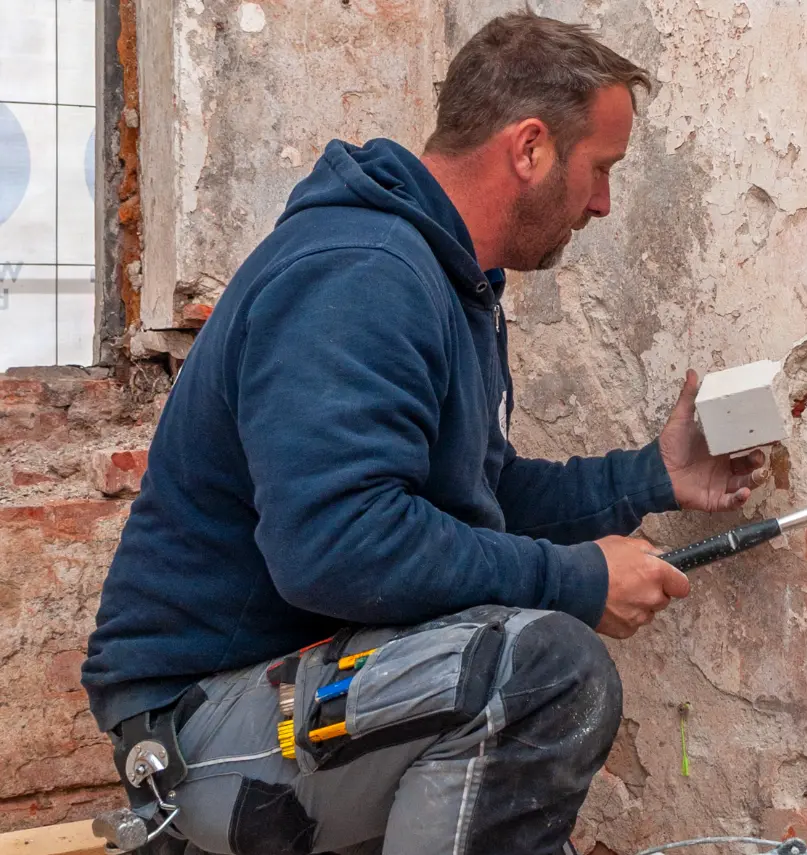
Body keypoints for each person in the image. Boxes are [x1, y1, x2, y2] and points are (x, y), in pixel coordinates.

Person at [82, 11, 767, 855]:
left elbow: (479, 500)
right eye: (601, 168)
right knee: (545, 672)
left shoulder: (446, 280)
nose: (602, 202)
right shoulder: (362, 273)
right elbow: (337, 545)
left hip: (311, 690)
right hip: (206, 729)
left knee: (529, 658)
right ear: (530, 148)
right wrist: (577, 579)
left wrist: (650, 478)